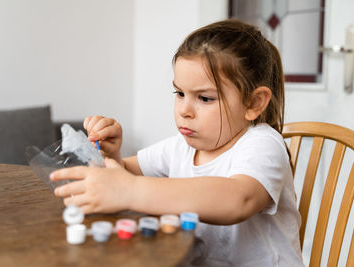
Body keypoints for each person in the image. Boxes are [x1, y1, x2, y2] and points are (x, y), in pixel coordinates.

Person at [50, 19, 303, 266]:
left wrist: (131, 190)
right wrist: (112, 155)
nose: (184, 110)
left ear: (253, 103)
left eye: (204, 98)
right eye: (180, 93)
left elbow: (239, 200)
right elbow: (120, 175)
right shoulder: (180, 148)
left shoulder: (263, 144)